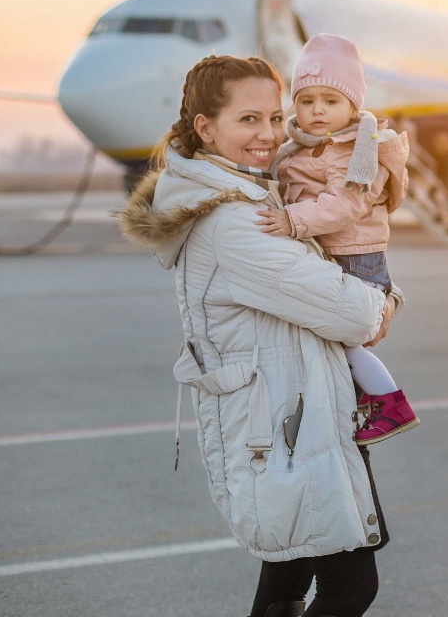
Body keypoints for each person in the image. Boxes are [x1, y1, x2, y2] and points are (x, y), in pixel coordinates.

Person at [118, 55, 399, 617]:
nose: (269, 135)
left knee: (286, 587)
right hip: (286, 432)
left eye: (275, 117)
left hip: (291, 421)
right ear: (206, 128)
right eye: (249, 120)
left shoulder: (251, 197)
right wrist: (384, 301)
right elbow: (357, 316)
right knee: (349, 587)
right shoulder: (234, 223)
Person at [256, 34, 419, 445]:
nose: (316, 111)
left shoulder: (353, 150)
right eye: (307, 100)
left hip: (353, 256)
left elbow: (343, 205)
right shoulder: (304, 146)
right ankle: (363, 394)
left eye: (330, 101)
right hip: (333, 253)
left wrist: (291, 220)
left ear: (352, 106)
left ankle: (390, 401)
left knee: (341, 339)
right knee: (331, 343)